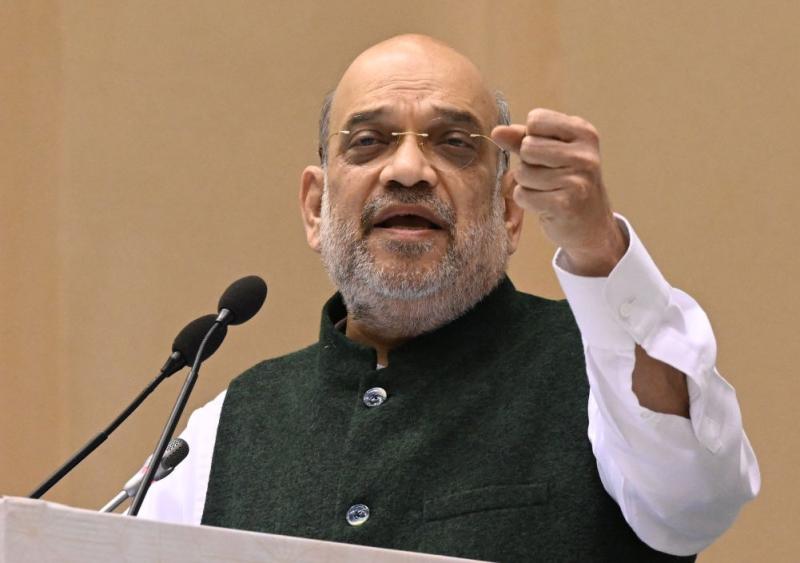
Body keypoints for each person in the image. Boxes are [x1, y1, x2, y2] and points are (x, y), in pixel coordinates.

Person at [139, 35, 759, 561]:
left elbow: (696, 502)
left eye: (454, 142)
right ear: (315, 208)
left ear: (509, 210)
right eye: (368, 141)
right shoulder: (229, 424)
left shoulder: (603, 368)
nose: (408, 169)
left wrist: (598, 248)